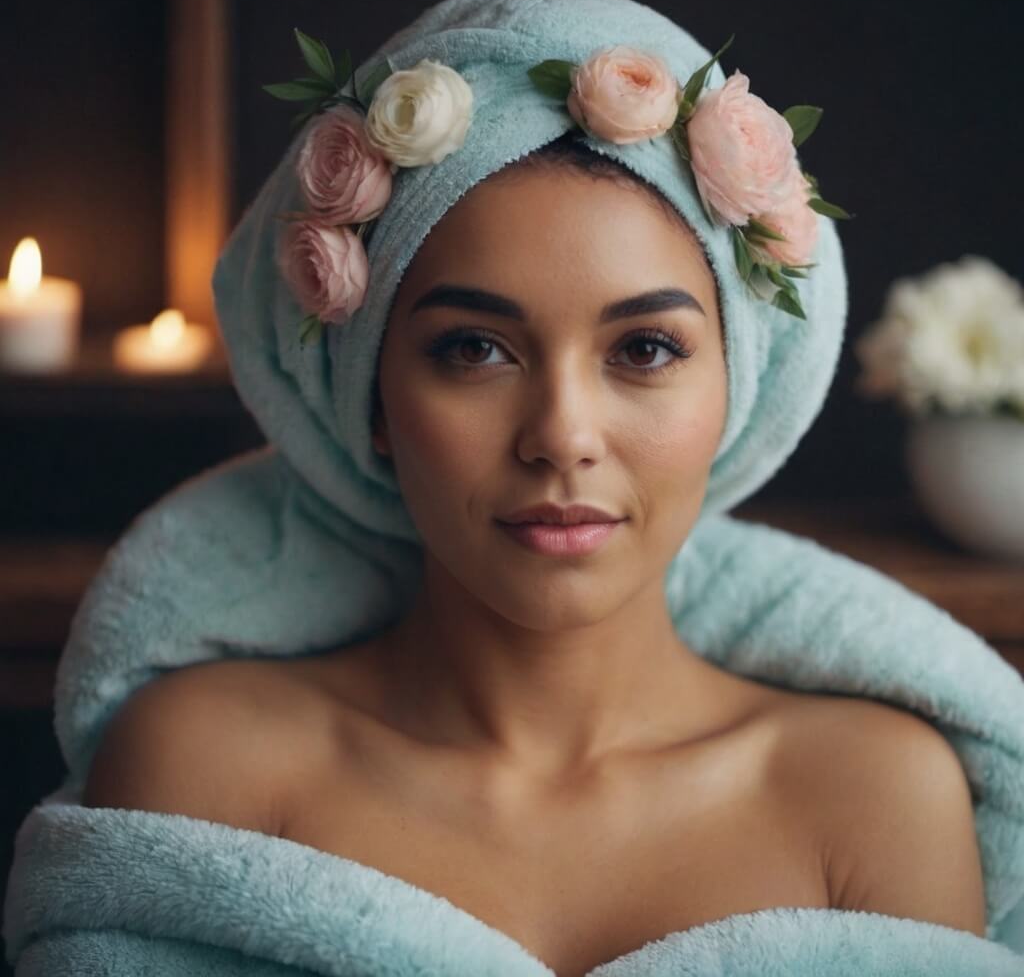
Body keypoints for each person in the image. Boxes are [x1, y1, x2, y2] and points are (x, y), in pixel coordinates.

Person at [80, 130, 987, 976]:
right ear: (373, 401)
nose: (562, 437)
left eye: (644, 347)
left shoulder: (878, 798)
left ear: (734, 393)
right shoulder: (206, 769)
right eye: (474, 349)